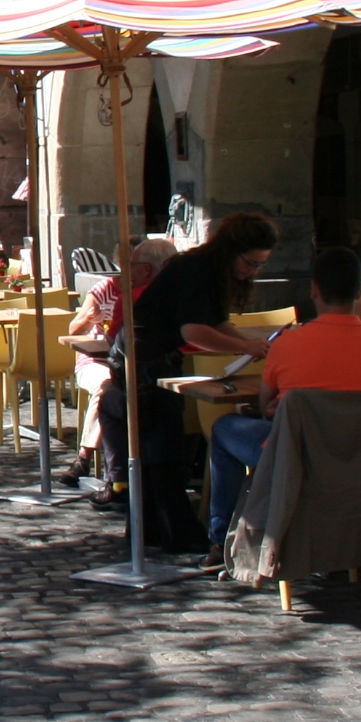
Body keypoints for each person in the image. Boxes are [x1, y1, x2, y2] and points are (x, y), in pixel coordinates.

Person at [203, 246, 361, 557]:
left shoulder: (289, 344)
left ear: (314, 289)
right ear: (357, 293)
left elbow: (266, 402)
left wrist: (282, 406)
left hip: (296, 458)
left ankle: (220, 540)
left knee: (224, 427)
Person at [100, 211, 278, 553]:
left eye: (260, 265)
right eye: (251, 263)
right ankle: (173, 534)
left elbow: (216, 322)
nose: (252, 272)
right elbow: (194, 331)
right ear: (232, 251)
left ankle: (153, 530)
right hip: (142, 357)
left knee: (159, 445)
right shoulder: (197, 270)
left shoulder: (209, 270)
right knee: (161, 447)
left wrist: (249, 343)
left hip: (150, 353)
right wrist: (244, 346)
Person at [69, 238, 176, 479]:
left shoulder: (142, 295)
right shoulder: (105, 289)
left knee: (116, 390)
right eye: (124, 264)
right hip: (96, 360)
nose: (127, 270)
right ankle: (85, 456)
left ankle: (118, 476)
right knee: (107, 388)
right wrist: (88, 320)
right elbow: (73, 330)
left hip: (126, 362)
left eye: (133, 264)